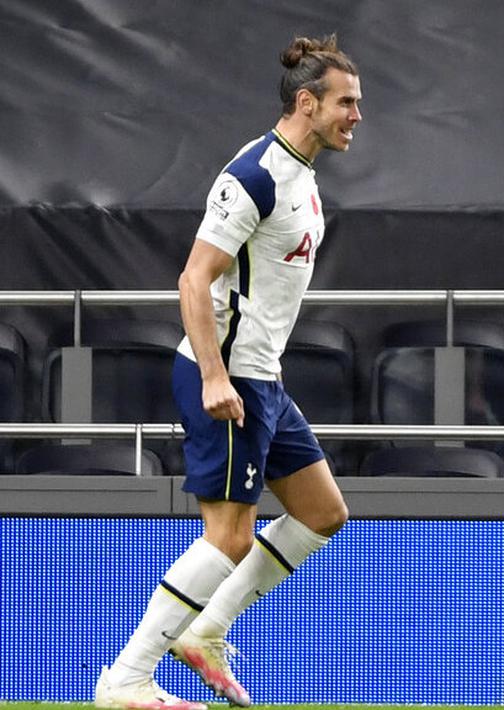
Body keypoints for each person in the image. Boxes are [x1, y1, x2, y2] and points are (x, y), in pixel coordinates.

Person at [94, 34, 362, 710]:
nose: (356, 115)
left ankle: (206, 633)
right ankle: (125, 680)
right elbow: (192, 279)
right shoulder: (253, 176)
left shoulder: (303, 174)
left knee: (322, 513)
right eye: (346, 103)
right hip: (229, 378)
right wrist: (215, 377)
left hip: (262, 377)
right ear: (307, 102)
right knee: (230, 537)